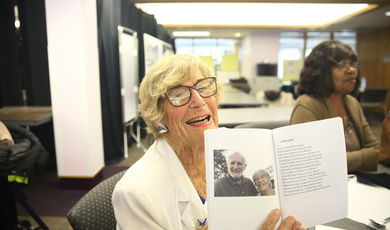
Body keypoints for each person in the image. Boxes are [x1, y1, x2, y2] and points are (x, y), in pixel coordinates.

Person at [112, 53, 305, 230]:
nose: (199, 101)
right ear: (157, 116)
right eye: (178, 94)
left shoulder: (239, 146)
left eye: (203, 87)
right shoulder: (136, 194)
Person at [290, 40, 390, 172]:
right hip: (326, 188)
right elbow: (310, 162)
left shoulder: (351, 103)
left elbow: (376, 149)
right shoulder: (307, 105)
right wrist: (378, 154)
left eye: (352, 64)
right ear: (321, 71)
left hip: (359, 183)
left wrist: (386, 141)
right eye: (341, 64)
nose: (352, 70)